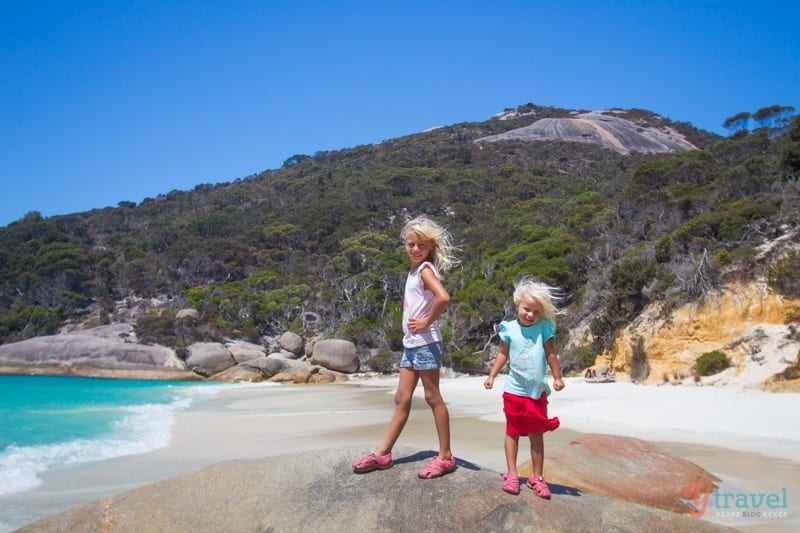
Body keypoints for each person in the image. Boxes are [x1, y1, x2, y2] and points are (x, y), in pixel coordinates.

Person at [352, 215, 460, 479]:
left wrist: (426, 322)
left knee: (433, 397)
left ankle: (445, 456)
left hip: (425, 343)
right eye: (410, 244)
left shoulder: (424, 270)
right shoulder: (414, 270)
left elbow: (443, 297)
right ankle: (383, 454)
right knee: (401, 398)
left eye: (419, 245)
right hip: (411, 345)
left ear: (430, 247)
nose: (414, 249)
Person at [483, 277, 565, 497]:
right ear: (517, 305)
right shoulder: (508, 328)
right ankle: (512, 473)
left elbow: (550, 353)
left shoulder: (543, 328)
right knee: (512, 432)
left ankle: (537, 477)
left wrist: (557, 377)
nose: (530, 315)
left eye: (536, 312)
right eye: (527, 309)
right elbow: (502, 354)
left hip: (536, 391)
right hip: (514, 390)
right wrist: (492, 375)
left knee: (537, 433)